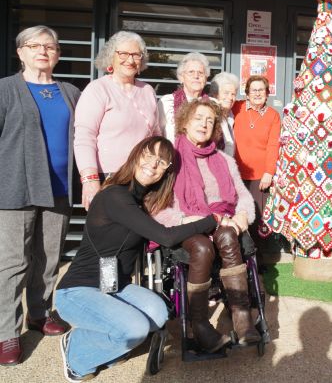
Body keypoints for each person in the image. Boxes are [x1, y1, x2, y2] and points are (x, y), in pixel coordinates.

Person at [55, 136, 219, 381]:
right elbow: (164, 236)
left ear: (166, 172)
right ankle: (77, 353)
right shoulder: (114, 196)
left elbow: (163, 227)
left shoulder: (140, 204)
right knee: (136, 329)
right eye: (149, 155)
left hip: (113, 287)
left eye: (162, 162)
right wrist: (211, 221)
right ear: (136, 155)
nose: (153, 165)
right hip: (78, 291)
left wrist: (190, 220)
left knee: (159, 314)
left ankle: (108, 336)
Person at [0, 26, 81, 366]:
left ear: (58, 54)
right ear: (20, 52)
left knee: (49, 257)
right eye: (35, 46)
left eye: (50, 46)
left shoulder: (71, 92)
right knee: (13, 262)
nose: (43, 52)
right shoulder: (5, 89)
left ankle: (39, 312)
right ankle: (6, 332)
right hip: (15, 187)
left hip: (59, 188)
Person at [154, 99, 259, 351]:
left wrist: (243, 214)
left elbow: (242, 195)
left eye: (210, 120)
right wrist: (185, 220)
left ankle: (241, 318)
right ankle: (199, 325)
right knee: (201, 248)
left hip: (223, 223)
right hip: (185, 224)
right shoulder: (170, 158)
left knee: (226, 235)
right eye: (199, 118)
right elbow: (158, 204)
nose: (204, 123)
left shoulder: (224, 159)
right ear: (185, 123)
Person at [74, 31, 160, 209]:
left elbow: (156, 134)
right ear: (110, 56)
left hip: (143, 177)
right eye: (123, 53)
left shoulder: (148, 91)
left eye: (136, 54)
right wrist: (90, 180)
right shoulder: (98, 89)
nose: (130, 60)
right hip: (110, 177)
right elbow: (84, 137)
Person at [232, 75, 280, 245]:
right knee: (236, 213)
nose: (258, 93)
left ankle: (256, 260)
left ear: (267, 93)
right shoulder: (236, 107)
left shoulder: (273, 116)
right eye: (254, 90)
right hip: (235, 172)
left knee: (257, 217)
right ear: (247, 93)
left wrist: (269, 172)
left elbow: (273, 145)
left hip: (260, 176)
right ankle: (236, 255)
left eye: (261, 90)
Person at [158, 52, 210, 142]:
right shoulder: (166, 102)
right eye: (191, 72)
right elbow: (157, 135)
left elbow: (226, 142)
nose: (196, 76)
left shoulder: (213, 104)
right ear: (181, 77)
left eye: (201, 73)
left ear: (205, 79)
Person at [209, 71, 238, 156]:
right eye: (226, 93)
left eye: (233, 94)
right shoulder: (210, 113)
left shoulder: (230, 116)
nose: (230, 97)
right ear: (215, 94)